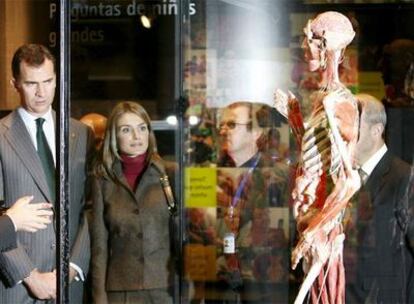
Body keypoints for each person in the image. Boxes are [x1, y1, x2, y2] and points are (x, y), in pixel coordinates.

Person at [0, 44, 93, 303]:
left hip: (69, 287)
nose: (41, 92)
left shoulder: (80, 133)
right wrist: (30, 276)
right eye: (31, 83)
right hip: (18, 287)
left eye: (48, 81)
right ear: (15, 84)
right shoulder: (0, 136)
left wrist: (73, 267)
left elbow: (91, 208)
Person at [90, 101, 175, 304]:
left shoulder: (170, 173)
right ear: (114, 136)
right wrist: (99, 298)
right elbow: (100, 247)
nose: (137, 137)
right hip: (120, 291)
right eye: (126, 130)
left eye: (142, 128)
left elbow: (183, 237)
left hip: (166, 288)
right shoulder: (103, 179)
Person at [214, 101, 290, 303]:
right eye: (222, 125)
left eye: (231, 125)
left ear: (255, 133)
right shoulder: (216, 173)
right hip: (224, 284)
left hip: (262, 287)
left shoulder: (277, 177)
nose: (223, 130)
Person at [345, 93, 414, 303]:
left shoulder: (404, 178)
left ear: (376, 131)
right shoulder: (340, 180)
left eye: (352, 125)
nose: (343, 133)